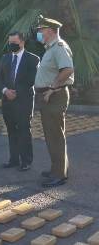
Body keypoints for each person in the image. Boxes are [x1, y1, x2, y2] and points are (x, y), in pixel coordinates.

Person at [34, 16, 74, 188]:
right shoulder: (50, 48)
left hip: (54, 96)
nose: (39, 33)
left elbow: (68, 69)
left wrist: (52, 88)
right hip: (49, 96)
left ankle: (59, 175)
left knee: (55, 135)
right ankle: (57, 169)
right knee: (52, 135)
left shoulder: (58, 47)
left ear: (50, 31)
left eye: (41, 30)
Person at [0, 32, 40, 171]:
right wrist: (6, 91)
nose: (11, 45)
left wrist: (16, 93)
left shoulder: (33, 59)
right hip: (7, 101)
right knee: (11, 130)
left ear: (22, 42)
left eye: (14, 42)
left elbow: (32, 80)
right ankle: (14, 159)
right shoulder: (5, 58)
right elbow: (0, 79)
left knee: (24, 130)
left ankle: (26, 161)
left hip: (24, 101)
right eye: (9, 42)